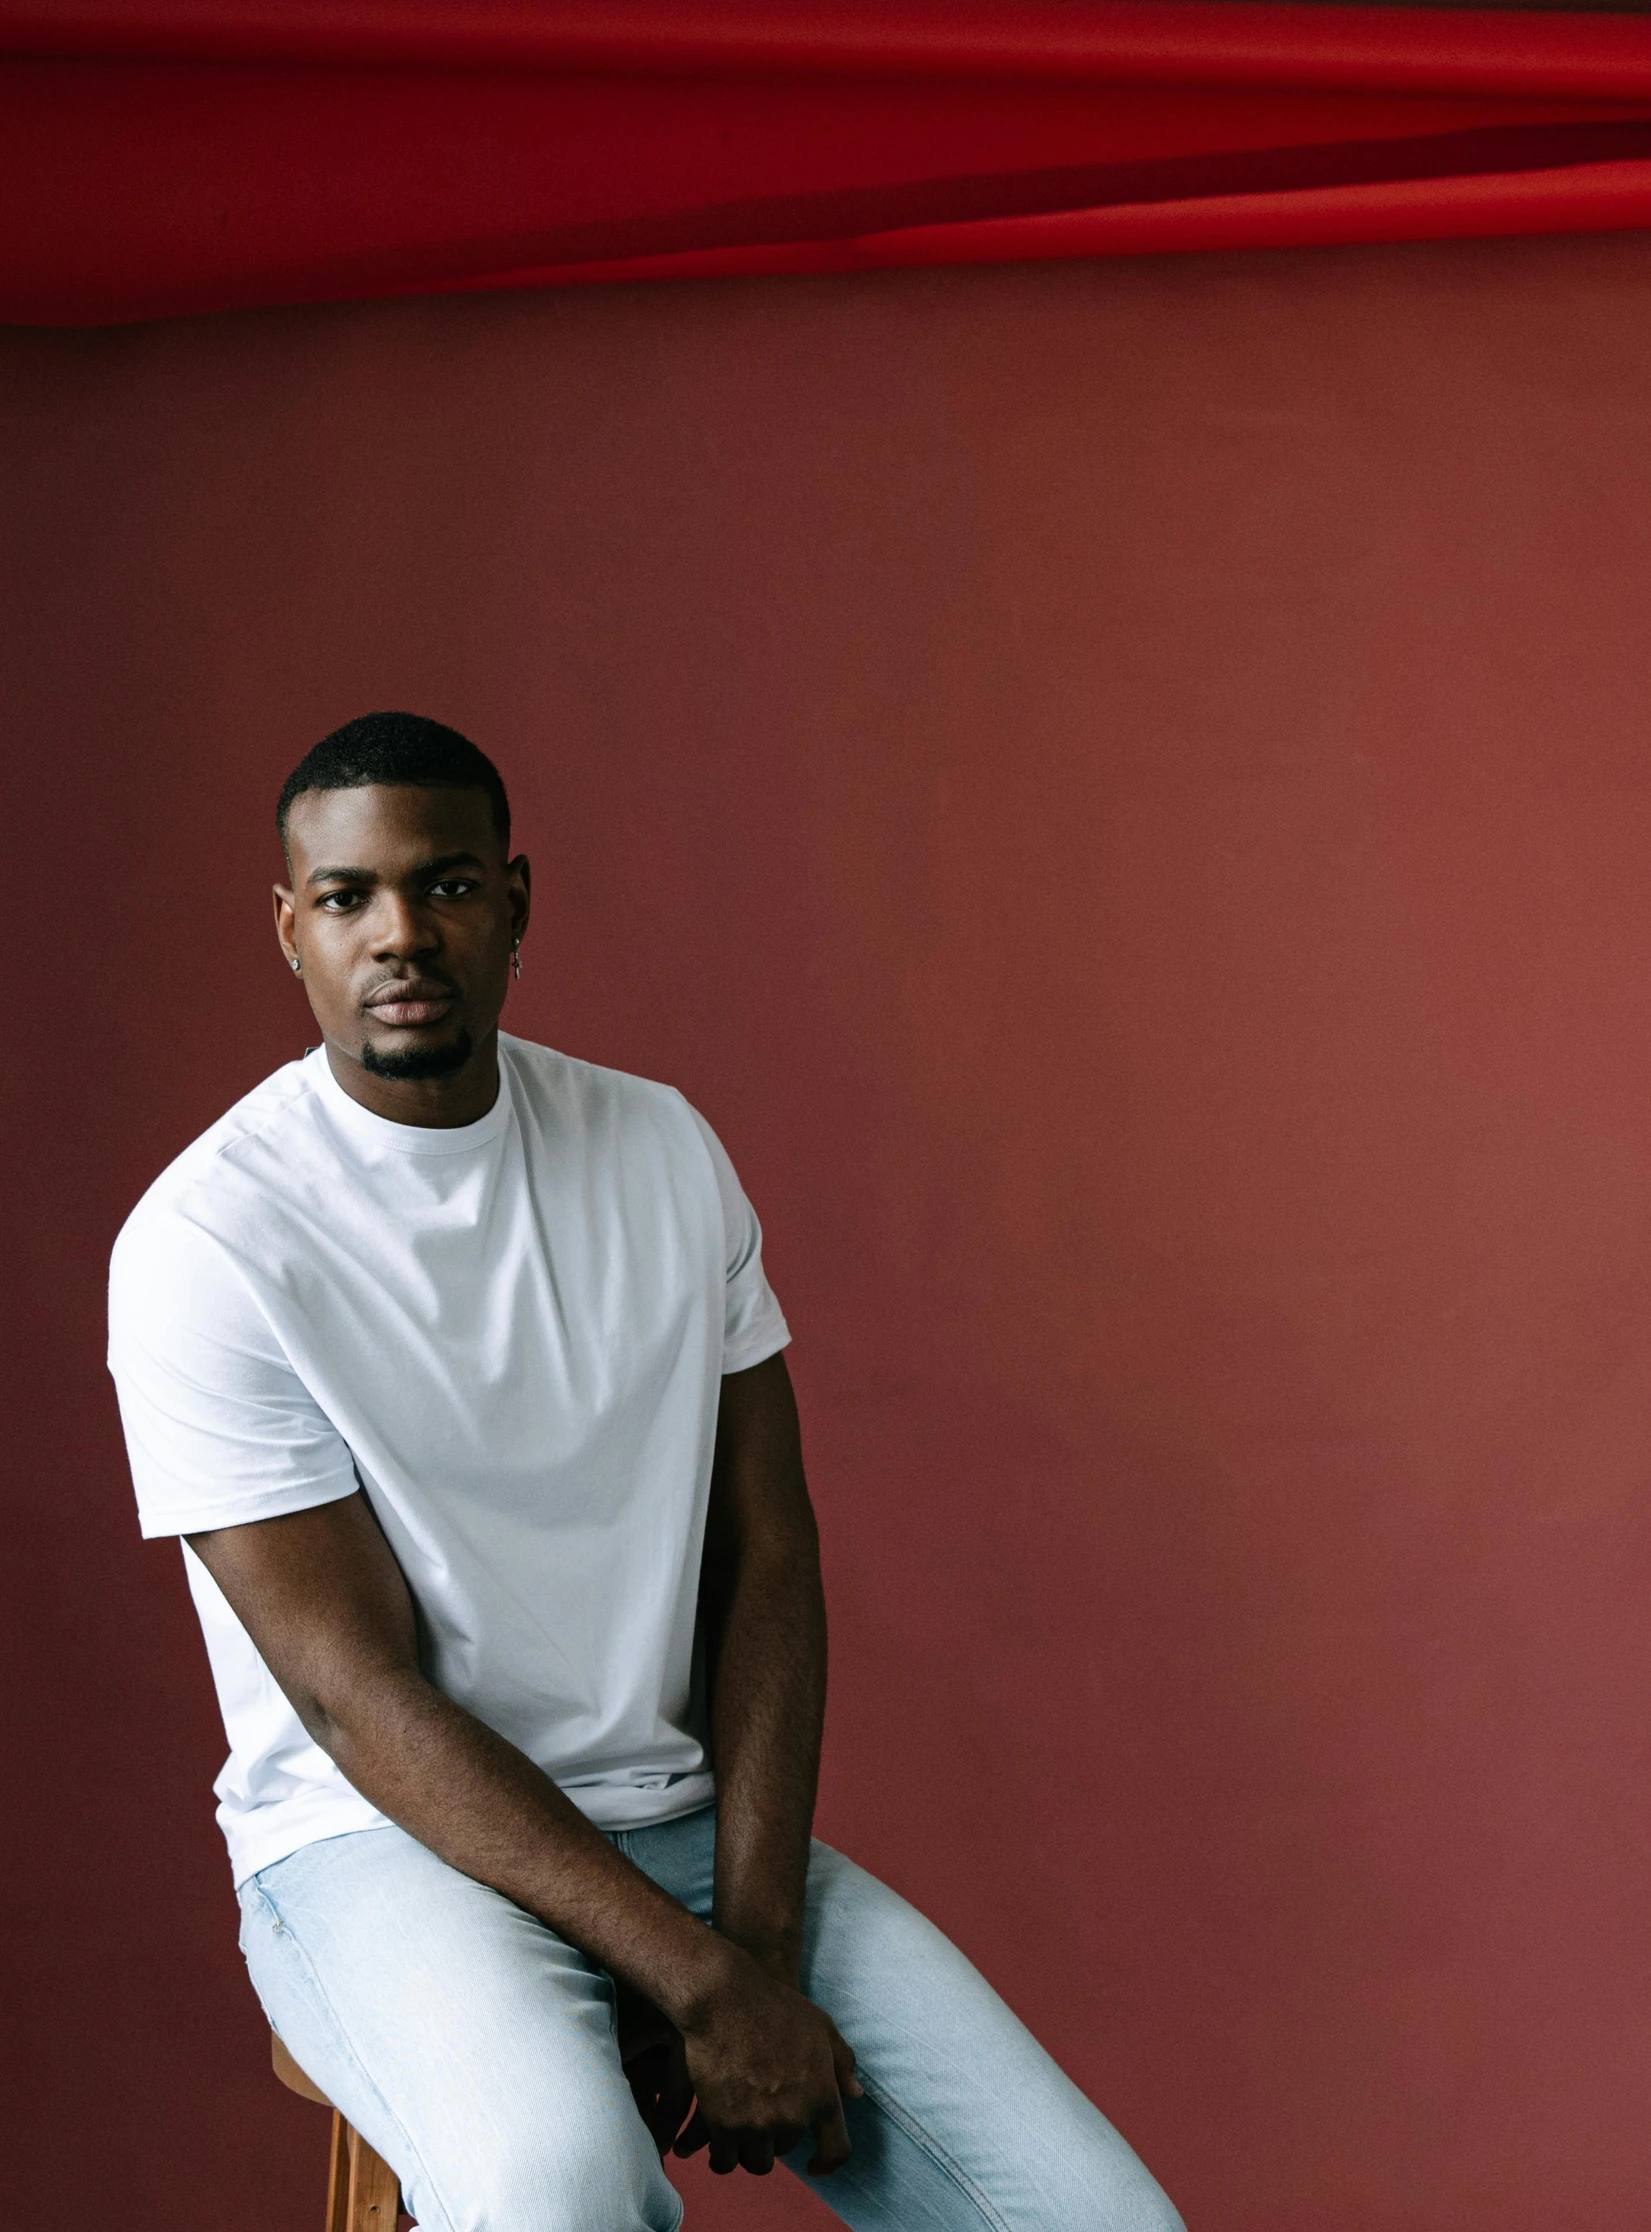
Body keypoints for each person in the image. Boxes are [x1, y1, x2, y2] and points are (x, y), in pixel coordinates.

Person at [107, 712, 1185, 2232]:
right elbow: (358, 1696)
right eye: (347, 898)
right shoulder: (209, 1243)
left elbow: (766, 1558)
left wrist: (751, 1939)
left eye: (450, 885)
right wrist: (691, 1981)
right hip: (377, 1847)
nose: (400, 934)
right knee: (558, 2196)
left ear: (518, 900)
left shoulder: (662, 1152)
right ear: (291, 930)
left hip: (682, 1826)